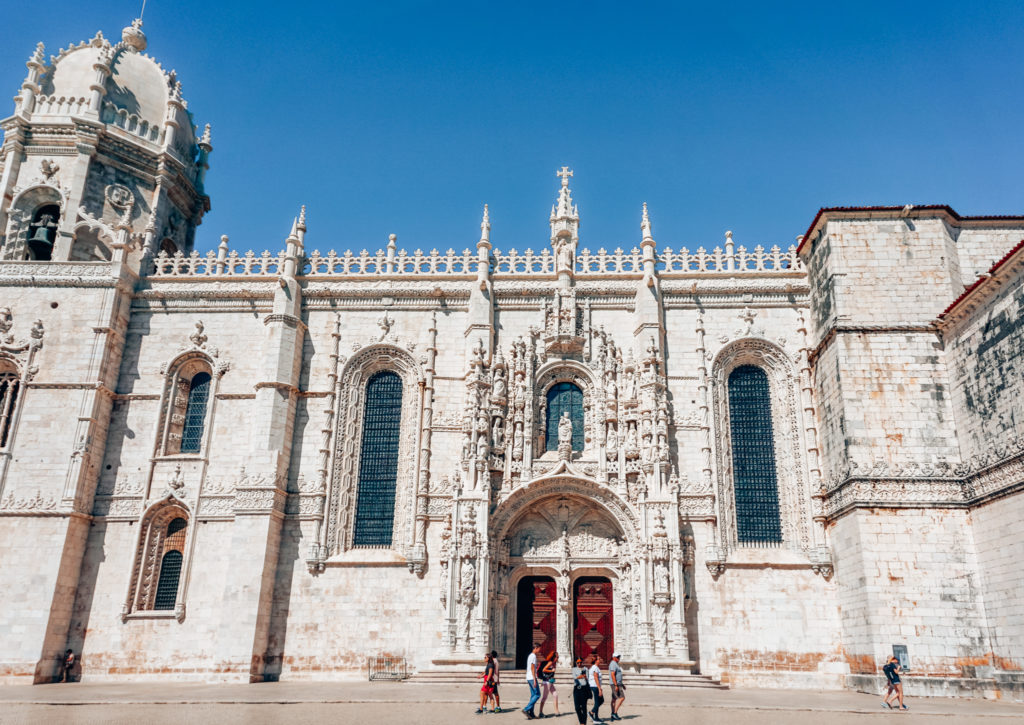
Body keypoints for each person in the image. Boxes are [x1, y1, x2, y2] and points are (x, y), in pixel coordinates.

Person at [523, 644, 542, 719]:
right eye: (539, 648)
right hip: (531, 677)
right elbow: (532, 667)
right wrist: (534, 679)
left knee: (533, 695)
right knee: (537, 694)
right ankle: (526, 709)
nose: (539, 650)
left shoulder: (530, 655)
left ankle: (531, 713)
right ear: (536, 648)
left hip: (528, 676)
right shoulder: (533, 656)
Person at [538, 651, 560, 717]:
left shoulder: (553, 663)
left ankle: (556, 711)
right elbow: (544, 670)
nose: (558, 658)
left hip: (550, 682)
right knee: (544, 697)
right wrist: (552, 670)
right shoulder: (550, 662)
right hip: (547, 682)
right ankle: (540, 712)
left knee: (555, 695)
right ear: (554, 657)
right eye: (557, 657)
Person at [571, 656, 592, 724]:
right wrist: (581, 676)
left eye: (580, 662)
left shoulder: (585, 669)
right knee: (577, 707)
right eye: (578, 663)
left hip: (584, 689)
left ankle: (583, 722)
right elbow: (574, 678)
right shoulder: (574, 669)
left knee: (583, 706)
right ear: (576, 663)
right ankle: (581, 720)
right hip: (577, 688)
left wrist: (585, 677)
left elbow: (587, 679)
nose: (579, 664)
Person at [608, 652, 625, 721]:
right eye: (617, 657)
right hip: (615, 684)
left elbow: (617, 675)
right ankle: (614, 713)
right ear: (614, 657)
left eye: (619, 657)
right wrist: (616, 685)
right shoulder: (613, 664)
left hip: (618, 684)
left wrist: (622, 684)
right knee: (622, 698)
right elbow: (612, 674)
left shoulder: (615, 664)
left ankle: (613, 713)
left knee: (614, 699)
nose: (619, 658)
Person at [588, 654, 605, 722]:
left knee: (599, 701)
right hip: (595, 686)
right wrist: (599, 688)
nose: (599, 660)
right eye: (598, 659)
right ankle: (591, 713)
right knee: (599, 702)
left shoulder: (594, 667)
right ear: (596, 661)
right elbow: (596, 678)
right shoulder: (595, 668)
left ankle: (596, 717)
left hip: (594, 686)